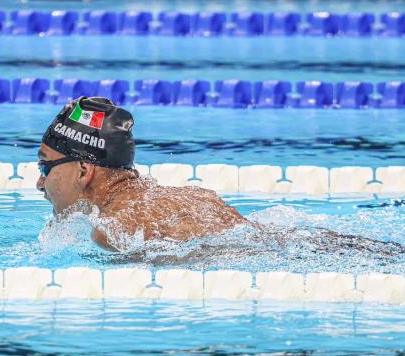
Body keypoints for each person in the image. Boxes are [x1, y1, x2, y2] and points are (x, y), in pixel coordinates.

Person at [36, 96, 248, 251]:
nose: (39, 182)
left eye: (45, 166)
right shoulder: (193, 197)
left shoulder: (112, 232)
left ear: (83, 171)